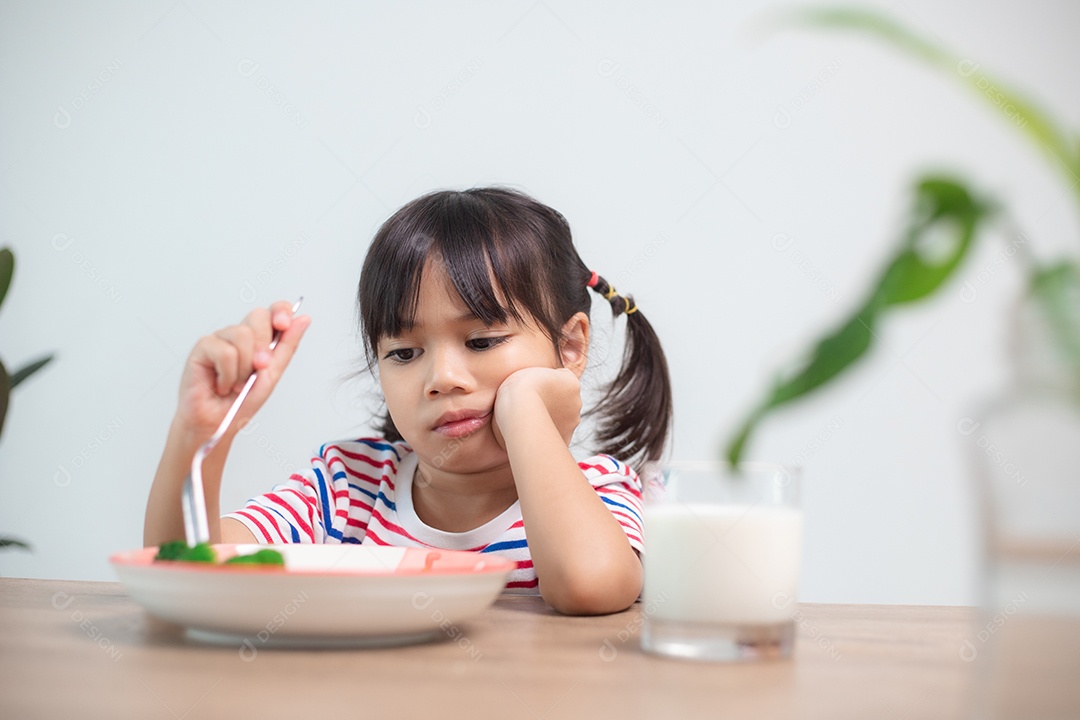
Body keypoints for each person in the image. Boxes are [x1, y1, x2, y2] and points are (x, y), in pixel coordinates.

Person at [144, 187, 672, 615]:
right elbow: (191, 572)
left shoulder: (599, 489)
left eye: (482, 342)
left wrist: (527, 412)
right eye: (404, 353)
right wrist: (200, 435)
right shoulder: (348, 487)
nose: (441, 377)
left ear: (571, 346)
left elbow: (590, 587)